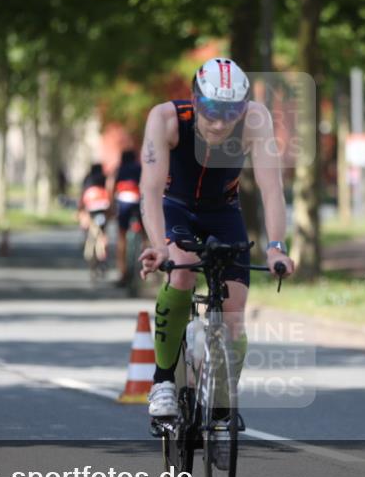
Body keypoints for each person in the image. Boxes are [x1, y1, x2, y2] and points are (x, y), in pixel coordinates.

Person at [138, 57, 295, 417]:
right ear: (195, 99)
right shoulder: (165, 119)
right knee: (182, 271)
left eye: (231, 112)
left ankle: (221, 399)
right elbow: (149, 191)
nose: (220, 122)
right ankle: (163, 380)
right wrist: (160, 247)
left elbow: (272, 190)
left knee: (234, 313)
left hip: (224, 212)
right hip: (176, 208)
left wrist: (276, 248)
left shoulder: (256, 120)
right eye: (210, 110)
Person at [112, 149, 143, 284]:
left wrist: (111, 205)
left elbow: (111, 185)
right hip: (138, 202)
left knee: (121, 236)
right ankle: (146, 267)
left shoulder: (119, 169)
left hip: (123, 202)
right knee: (144, 234)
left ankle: (123, 271)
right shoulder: (140, 168)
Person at [78, 163, 111, 263]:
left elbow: (82, 196)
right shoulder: (105, 179)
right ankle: (103, 251)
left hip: (90, 206)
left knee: (91, 229)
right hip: (103, 207)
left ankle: (88, 251)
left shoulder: (87, 179)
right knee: (103, 231)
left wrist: (81, 211)